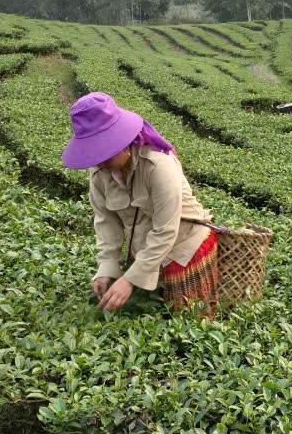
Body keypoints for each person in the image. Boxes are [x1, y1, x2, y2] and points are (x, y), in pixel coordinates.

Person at [62, 92, 218, 316]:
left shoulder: (158, 165)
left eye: (105, 151)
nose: (101, 160)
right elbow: (106, 222)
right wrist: (107, 267)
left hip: (184, 247)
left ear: (123, 142)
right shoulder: (99, 173)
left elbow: (166, 229)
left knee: (186, 320)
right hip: (146, 249)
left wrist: (129, 279)